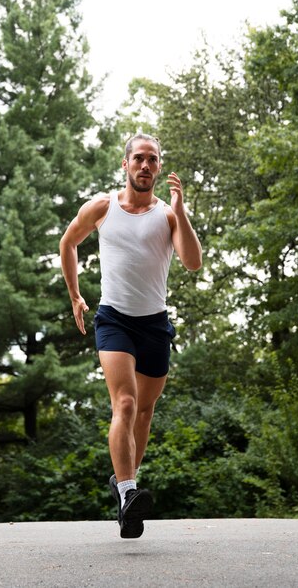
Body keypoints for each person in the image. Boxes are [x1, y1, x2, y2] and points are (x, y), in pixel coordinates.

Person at [60, 133, 202, 538]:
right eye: (138, 158)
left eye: (152, 160)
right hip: (114, 319)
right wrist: (75, 295)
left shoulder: (168, 215)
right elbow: (68, 242)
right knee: (124, 401)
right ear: (125, 164)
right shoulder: (103, 207)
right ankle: (128, 490)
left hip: (155, 324)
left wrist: (180, 209)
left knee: (144, 412)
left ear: (159, 167)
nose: (145, 165)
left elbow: (192, 263)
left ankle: (125, 493)